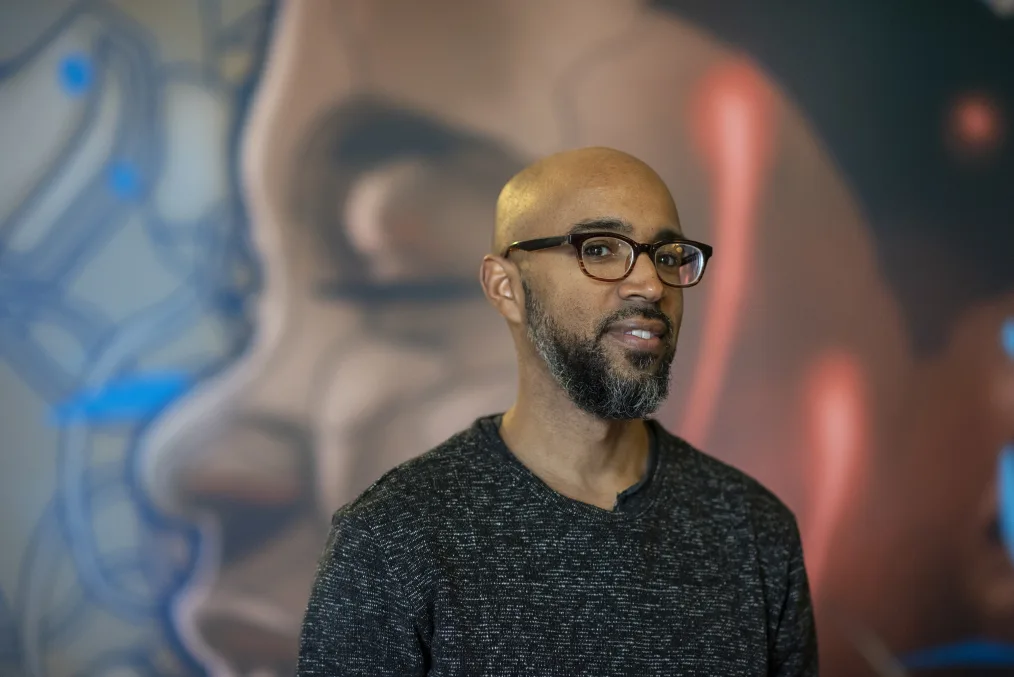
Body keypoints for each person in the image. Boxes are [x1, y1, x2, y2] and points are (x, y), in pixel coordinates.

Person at [297, 146, 819, 676]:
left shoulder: (753, 529)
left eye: (666, 256)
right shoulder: (392, 540)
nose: (651, 284)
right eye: (600, 249)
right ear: (506, 288)